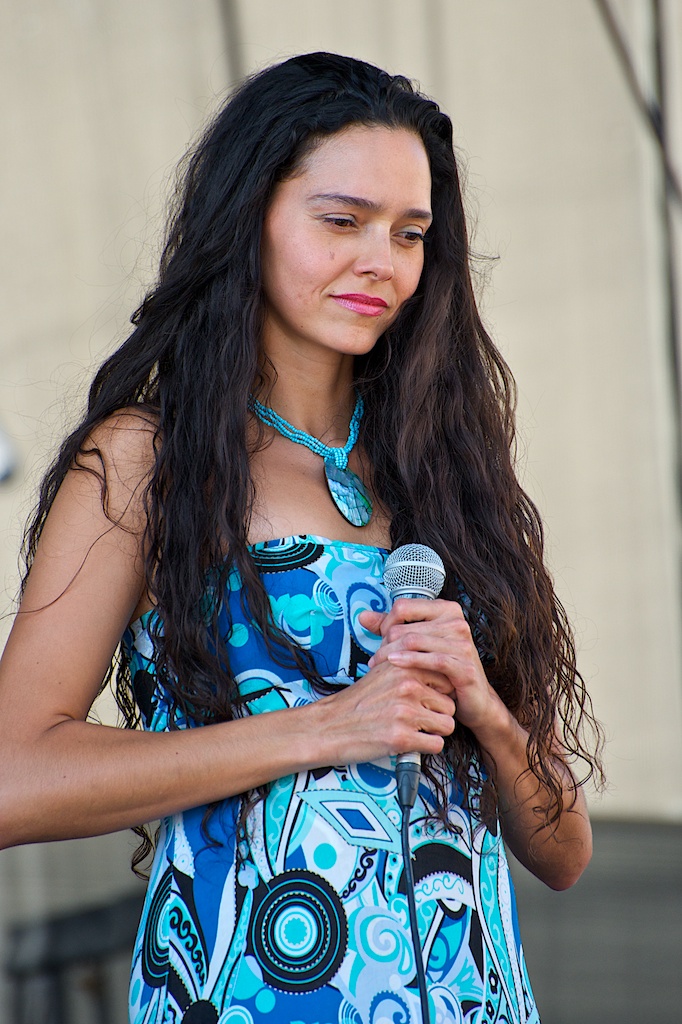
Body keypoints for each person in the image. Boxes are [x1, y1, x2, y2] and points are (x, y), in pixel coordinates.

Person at [0, 52, 602, 1024]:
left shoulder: (449, 476)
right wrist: (325, 728)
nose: (383, 261)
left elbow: (565, 854)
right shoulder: (148, 462)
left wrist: (484, 708)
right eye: (341, 221)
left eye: (410, 234)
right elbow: (13, 775)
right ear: (249, 219)